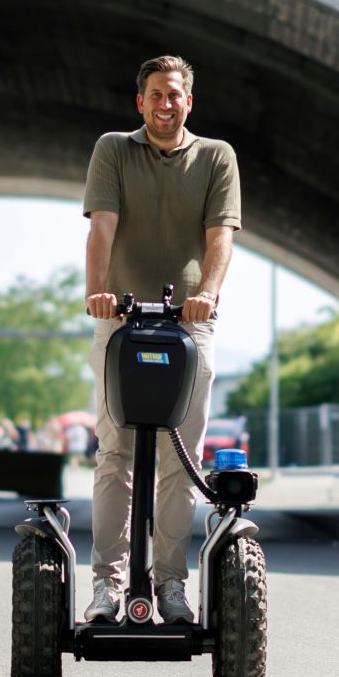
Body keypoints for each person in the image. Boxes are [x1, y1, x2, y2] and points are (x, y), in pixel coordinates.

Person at [83, 53, 241, 624]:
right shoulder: (113, 150)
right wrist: (97, 291)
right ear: (140, 102)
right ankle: (107, 585)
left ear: (188, 101)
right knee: (114, 454)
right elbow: (103, 225)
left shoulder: (216, 156)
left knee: (181, 455)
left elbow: (220, 236)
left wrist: (211, 293)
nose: (165, 103)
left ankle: (172, 586)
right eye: (155, 94)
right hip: (122, 316)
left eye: (175, 94)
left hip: (190, 321)